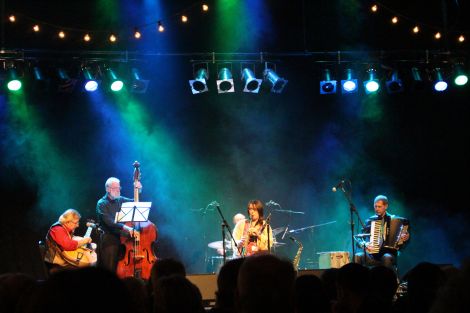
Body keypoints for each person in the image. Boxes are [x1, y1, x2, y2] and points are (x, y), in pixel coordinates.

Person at [96, 177, 142, 273]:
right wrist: (126, 227)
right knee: (110, 270)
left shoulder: (120, 200)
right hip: (110, 240)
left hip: (124, 240)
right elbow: (109, 222)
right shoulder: (101, 203)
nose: (118, 190)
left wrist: (139, 190)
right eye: (115, 188)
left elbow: (135, 202)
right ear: (108, 189)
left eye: (119, 187)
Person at [354, 195, 410, 270]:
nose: (377, 209)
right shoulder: (371, 221)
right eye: (375, 206)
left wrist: (406, 237)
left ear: (386, 206)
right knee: (358, 256)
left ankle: (386, 281)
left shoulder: (396, 220)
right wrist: (364, 244)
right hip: (373, 256)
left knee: (386, 257)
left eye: (379, 207)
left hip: (389, 255)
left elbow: (404, 240)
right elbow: (360, 239)